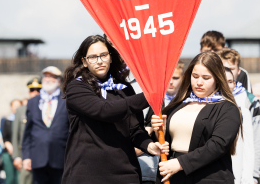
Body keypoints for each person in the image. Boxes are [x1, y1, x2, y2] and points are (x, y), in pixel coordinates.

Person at [62, 35, 168, 184]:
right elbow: (104, 110)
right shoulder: (77, 87)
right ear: (84, 62)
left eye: (104, 55)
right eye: (92, 57)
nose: (99, 61)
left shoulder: (125, 88)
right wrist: (151, 95)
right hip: (86, 174)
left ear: (111, 58)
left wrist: (150, 146)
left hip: (125, 174)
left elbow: (135, 130)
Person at [151, 51, 242, 183]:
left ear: (217, 78)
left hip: (209, 177)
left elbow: (217, 145)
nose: (199, 82)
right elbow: (166, 143)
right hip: (173, 175)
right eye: (195, 76)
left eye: (206, 78)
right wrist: (159, 131)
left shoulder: (227, 108)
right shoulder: (179, 103)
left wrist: (180, 163)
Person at [218, 48, 260, 183]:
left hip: (240, 172)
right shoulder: (206, 100)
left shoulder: (248, 102)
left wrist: (253, 175)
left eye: (231, 68)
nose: (227, 72)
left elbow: (253, 141)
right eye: (223, 68)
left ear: (238, 70)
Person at [23, 66, 69, 184]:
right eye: (46, 76)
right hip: (38, 157)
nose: (48, 79)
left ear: (58, 81)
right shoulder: (32, 102)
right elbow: (27, 132)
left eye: (52, 77)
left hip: (60, 157)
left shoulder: (66, 101)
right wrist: (26, 156)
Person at [224, 68, 255, 184]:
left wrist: (248, 179)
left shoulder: (242, 112)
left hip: (236, 177)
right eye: (223, 80)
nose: (227, 85)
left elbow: (248, 148)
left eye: (230, 81)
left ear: (234, 84)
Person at [12, 78, 42, 184]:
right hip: (25, 155)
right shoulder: (21, 110)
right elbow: (15, 134)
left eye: (38, 90)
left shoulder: (46, 109)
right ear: (29, 92)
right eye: (32, 90)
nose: (35, 93)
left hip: (42, 156)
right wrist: (16, 156)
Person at [2, 99, 22, 184]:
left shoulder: (23, 121)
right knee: (10, 179)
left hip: (21, 153)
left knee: (19, 178)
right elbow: (5, 137)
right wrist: (11, 148)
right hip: (9, 152)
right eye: (15, 106)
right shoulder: (7, 121)